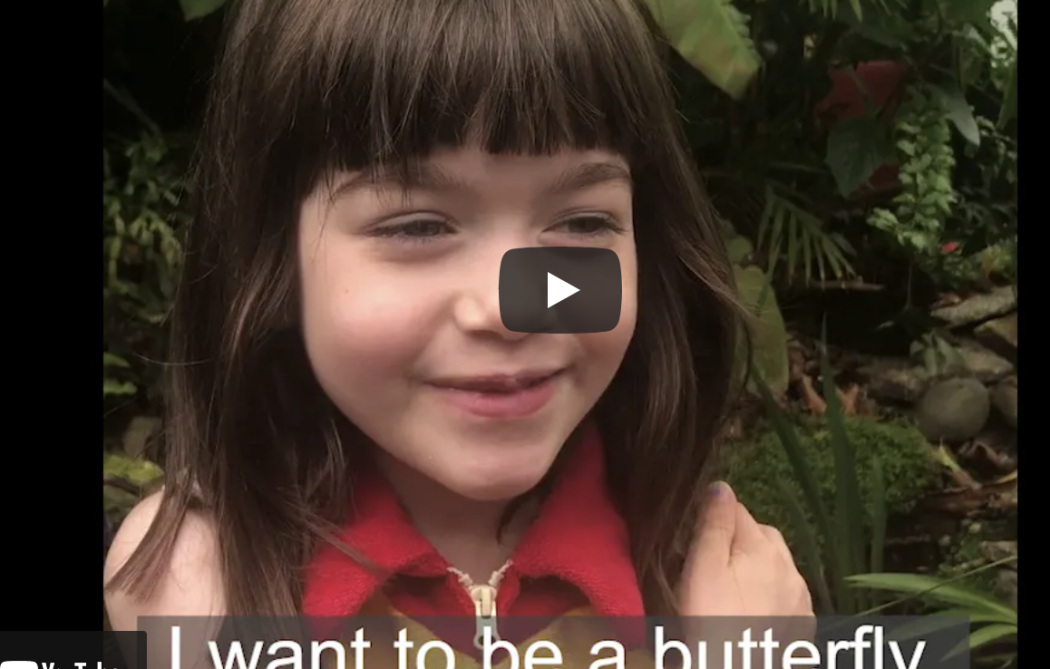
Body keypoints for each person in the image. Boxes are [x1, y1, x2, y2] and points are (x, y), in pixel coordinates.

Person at [105, 0, 813, 664]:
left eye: (581, 222)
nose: (510, 308)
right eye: (418, 226)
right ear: (274, 261)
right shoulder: (201, 583)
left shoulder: (719, 585)